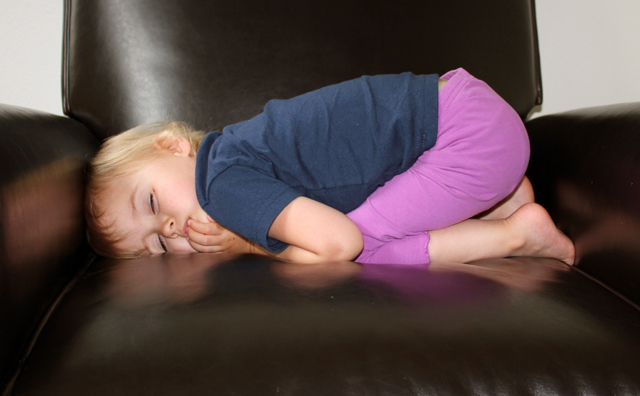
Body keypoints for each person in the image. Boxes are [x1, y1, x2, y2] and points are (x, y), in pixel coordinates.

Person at [85, 68, 575, 265]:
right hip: (472, 114)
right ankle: (502, 197)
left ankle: (518, 233)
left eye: (150, 203)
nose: (171, 228)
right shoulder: (240, 147)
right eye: (158, 244)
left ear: (174, 146)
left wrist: (246, 243)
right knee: (378, 202)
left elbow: (341, 242)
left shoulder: (221, 184)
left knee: (366, 253)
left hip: (469, 139)